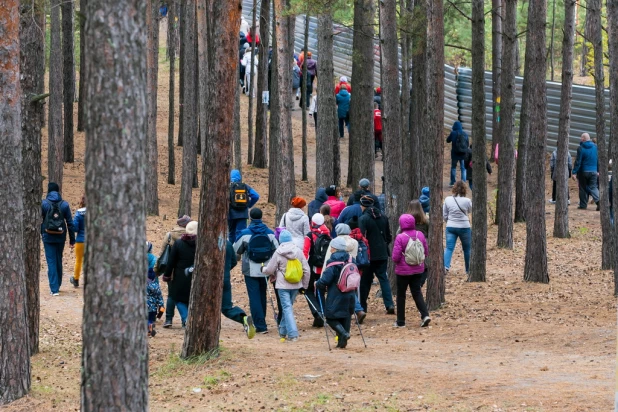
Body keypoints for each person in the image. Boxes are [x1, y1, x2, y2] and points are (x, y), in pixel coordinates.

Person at [234, 208, 279, 334]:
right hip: (265, 268)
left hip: (250, 269)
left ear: (250, 218)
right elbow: (277, 249)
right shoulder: (269, 233)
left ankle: (260, 325)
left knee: (254, 297)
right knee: (262, 295)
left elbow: (236, 250)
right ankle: (261, 320)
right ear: (261, 216)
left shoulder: (245, 233)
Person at [262, 230, 310, 342]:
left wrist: (262, 269)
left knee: (287, 308)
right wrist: (304, 286)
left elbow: (269, 269)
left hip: (282, 285)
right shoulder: (298, 251)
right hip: (296, 284)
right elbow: (306, 270)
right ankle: (283, 331)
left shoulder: (278, 252)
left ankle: (293, 334)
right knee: (287, 308)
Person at [315, 237, 356, 349]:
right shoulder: (351, 259)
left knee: (330, 317)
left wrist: (317, 283)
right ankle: (342, 342)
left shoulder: (333, 262)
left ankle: (343, 334)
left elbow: (325, 280)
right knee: (346, 315)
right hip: (350, 292)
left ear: (334, 248)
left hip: (336, 294)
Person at [392, 214, 431, 328]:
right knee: (417, 292)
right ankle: (425, 315)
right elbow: (426, 251)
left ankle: (401, 321)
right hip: (418, 269)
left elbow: (395, 257)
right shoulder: (420, 235)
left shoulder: (400, 237)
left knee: (401, 295)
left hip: (403, 271)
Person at [358, 196, 394, 315]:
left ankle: (362, 307)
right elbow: (389, 236)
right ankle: (389, 304)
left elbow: (361, 237)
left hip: (368, 255)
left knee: (365, 282)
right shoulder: (383, 216)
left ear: (363, 205)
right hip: (382, 253)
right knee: (383, 279)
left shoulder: (363, 219)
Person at [41, 182, 75, 296]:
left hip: (48, 236)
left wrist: (41, 234)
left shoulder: (44, 204)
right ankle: (58, 284)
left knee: (51, 261)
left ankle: (54, 289)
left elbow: (39, 221)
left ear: (49, 191)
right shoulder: (64, 205)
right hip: (61, 236)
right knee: (58, 259)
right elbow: (70, 223)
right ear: (58, 190)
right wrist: (72, 240)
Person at [162, 220, 198, 327]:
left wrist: (167, 275)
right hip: (197, 275)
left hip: (180, 276)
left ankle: (185, 318)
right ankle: (186, 321)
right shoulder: (201, 244)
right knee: (189, 298)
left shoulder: (179, 243)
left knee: (177, 298)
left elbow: (171, 261)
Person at [159, 214, 191, 328]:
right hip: (188, 270)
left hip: (171, 271)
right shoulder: (192, 235)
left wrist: (157, 270)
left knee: (172, 295)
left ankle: (168, 319)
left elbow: (162, 252)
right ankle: (185, 321)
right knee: (186, 294)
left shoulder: (169, 235)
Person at [223, 240, 256, 339]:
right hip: (225, 278)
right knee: (227, 307)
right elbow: (234, 261)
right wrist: (225, 270)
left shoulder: (205, 241)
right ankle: (243, 318)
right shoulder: (227, 243)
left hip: (209, 280)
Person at [303, 213, 331, 327]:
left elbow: (305, 252)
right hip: (324, 267)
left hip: (313, 268)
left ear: (312, 223)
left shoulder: (310, 235)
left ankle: (317, 312)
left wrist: (303, 268)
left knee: (308, 290)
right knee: (320, 291)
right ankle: (323, 314)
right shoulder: (328, 234)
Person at [443, 181, 472, 274]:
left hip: (451, 226)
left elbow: (444, 214)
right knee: (467, 249)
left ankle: (445, 266)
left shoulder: (447, 199)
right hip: (464, 226)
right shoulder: (467, 201)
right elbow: (470, 210)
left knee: (449, 248)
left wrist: (449, 221)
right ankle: (468, 269)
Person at [228, 169, 260, 243]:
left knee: (231, 233)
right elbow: (256, 196)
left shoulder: (228, 187)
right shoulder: (245, 186)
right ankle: (240, 251)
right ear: (239, 177)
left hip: (230, 214)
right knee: (241, 233)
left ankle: (232, 251)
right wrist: (249, 205)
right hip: (243, 214)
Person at [572, 133, 600, 210]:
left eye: (581, 138)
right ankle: (599, 201)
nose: (580, 139)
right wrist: (598, 170)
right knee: (593, 187)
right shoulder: (595, 147)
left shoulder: (580, 148)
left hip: (583, 171)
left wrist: (574, 172)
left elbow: (578, 161)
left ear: (583, 139)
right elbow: (597, 159)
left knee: (583, 188)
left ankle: (583, 205)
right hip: (593, 171)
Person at [70, 194, 86, 288]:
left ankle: (76, 279)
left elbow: (75, 228)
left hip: (80, 240)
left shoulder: (78, 213)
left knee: (79, 260)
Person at [446, 121, 469, 186]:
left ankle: (453, 182)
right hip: (463, 154)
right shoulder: (465, 134)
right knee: (463, 168)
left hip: (455, 154)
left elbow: (448, 140)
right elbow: (467, 143)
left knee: (453, 167)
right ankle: (463, 183)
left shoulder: (453, 133)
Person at [147, 260, 165, 337]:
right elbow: (160, 298)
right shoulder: (156, 286)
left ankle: (149, 327)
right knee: (151, 319)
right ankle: (150, 330)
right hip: (153, 308)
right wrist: (161, 306)